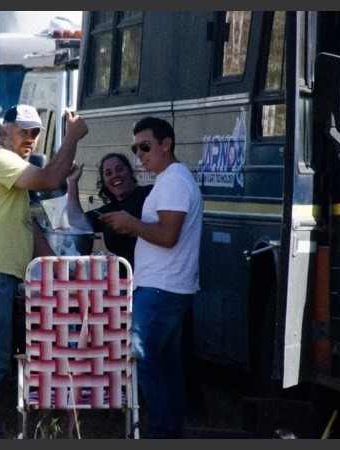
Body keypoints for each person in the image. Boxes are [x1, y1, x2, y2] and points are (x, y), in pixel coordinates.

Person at [0, 104, 89, 437]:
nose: (30, 137)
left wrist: (59, 267)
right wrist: (71, 138)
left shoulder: (10, 167)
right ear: (4, 129)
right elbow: (51, 178)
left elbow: (27, 227)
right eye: (23, 129)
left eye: (36, 132)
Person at [100, 116, 202, 438]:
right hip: (166, 286)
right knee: (166, 364)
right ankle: (170, 431)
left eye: (145, 146)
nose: (139, 155)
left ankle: (161, 431)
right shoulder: (170, 179)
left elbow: (168, 235)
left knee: (141, 354)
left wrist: (130, 224)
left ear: (166, 144)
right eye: (135, 148)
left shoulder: (172, 180)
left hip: (162, 288)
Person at [66, 152, 152, 273]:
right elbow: (76, 220)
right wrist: (73, 182)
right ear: (104, 182)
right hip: (125, 283)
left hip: (152, 280)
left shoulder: (149, 194)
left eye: (120, 169)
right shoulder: (109, 211)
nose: (115, 175)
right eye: (108, 173)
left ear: (131, 172)